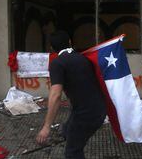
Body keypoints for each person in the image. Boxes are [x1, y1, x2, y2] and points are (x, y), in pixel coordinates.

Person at [36, 30, 106, 159]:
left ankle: (74, 142)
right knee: (67, 130)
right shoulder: (84, 58)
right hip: (99, 109)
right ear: (70, 42)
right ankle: (71, 136)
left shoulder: (57, 63)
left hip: (86, 115)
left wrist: (46, 127)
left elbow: (56, 95)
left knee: (72, 152)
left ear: (51, 48)